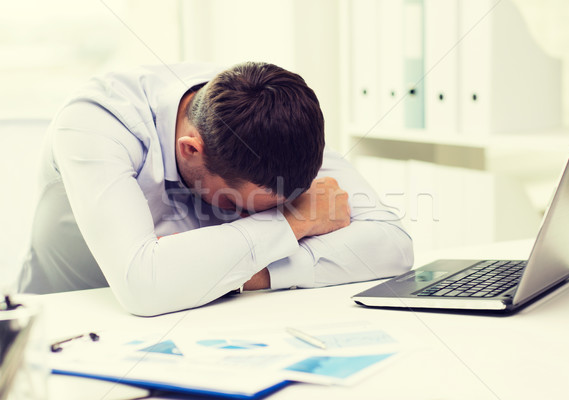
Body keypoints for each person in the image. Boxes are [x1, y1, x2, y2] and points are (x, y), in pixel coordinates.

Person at [18, 61, 413, 316]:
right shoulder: (96, 122)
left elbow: (393, 244)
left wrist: (247, 274)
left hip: (201, 320)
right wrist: (293, 223)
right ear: (190, 150)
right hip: (65, 322)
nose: (256, 220)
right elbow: (143, 284)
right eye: (241, 207)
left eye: (277, 207)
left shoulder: (267, 117)